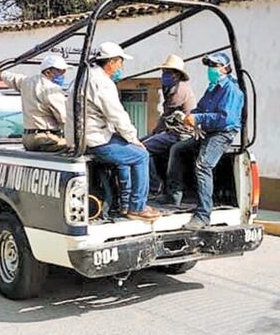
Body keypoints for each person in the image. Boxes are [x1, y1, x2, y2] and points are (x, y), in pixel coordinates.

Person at [165, 52, 244, 230]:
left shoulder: (231, 89)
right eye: (209, 67)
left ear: (225, 68)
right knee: (178, 149)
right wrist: (189, 117)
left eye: (214, 66)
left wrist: (199, 119)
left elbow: (225, 119)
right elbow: (200, 108)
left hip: (222, 134)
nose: (211, 70)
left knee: (203, 165)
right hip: (208, 132)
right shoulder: (213, 87)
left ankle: (203, 215)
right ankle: (174, 195)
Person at [82, 41, 160, 221]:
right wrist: (133, 138)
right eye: (120, 62)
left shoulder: (85, 77)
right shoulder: (102, 83)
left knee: (126, 154)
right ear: (111, 62)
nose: (121, 66)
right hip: (96, 140)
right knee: (141, 155)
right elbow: (117, 115)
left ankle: (125, 203)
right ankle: (137, 206)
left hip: (88, 137)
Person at [142, 54, 196, 195]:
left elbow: (167, 116)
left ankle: (155, 185)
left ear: (177, 75)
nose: (164, 75)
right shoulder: (172, 88)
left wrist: (155, 132)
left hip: (180, 134)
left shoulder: (180, 91)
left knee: (142, 150)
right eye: (164, 72)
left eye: (168, 72)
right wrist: (154, 133)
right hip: (172, 131)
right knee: (143, 141)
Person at [0, 53, 68, 152]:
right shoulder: (52, 89)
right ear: (48, 72)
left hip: (29, 139)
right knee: (79, 147)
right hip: (45, 138)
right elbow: (64, 118)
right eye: (59, 72)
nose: (62, 76)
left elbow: (11, 77)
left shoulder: (26, 82)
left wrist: (0, 73)